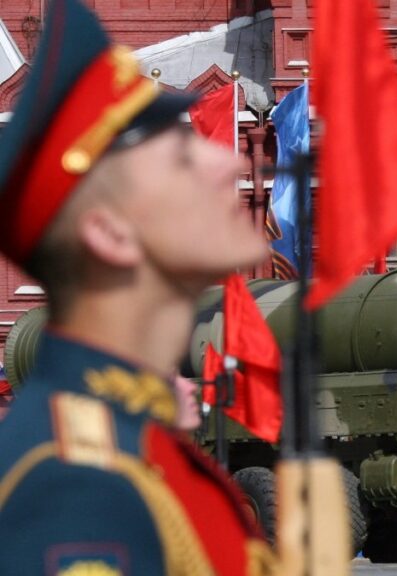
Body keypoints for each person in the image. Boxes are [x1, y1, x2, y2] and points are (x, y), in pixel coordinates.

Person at [0, 1, 275, 574]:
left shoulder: (141, 452)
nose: (225, 167)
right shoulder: (77, 486)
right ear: (110, 232)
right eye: (180, 156)